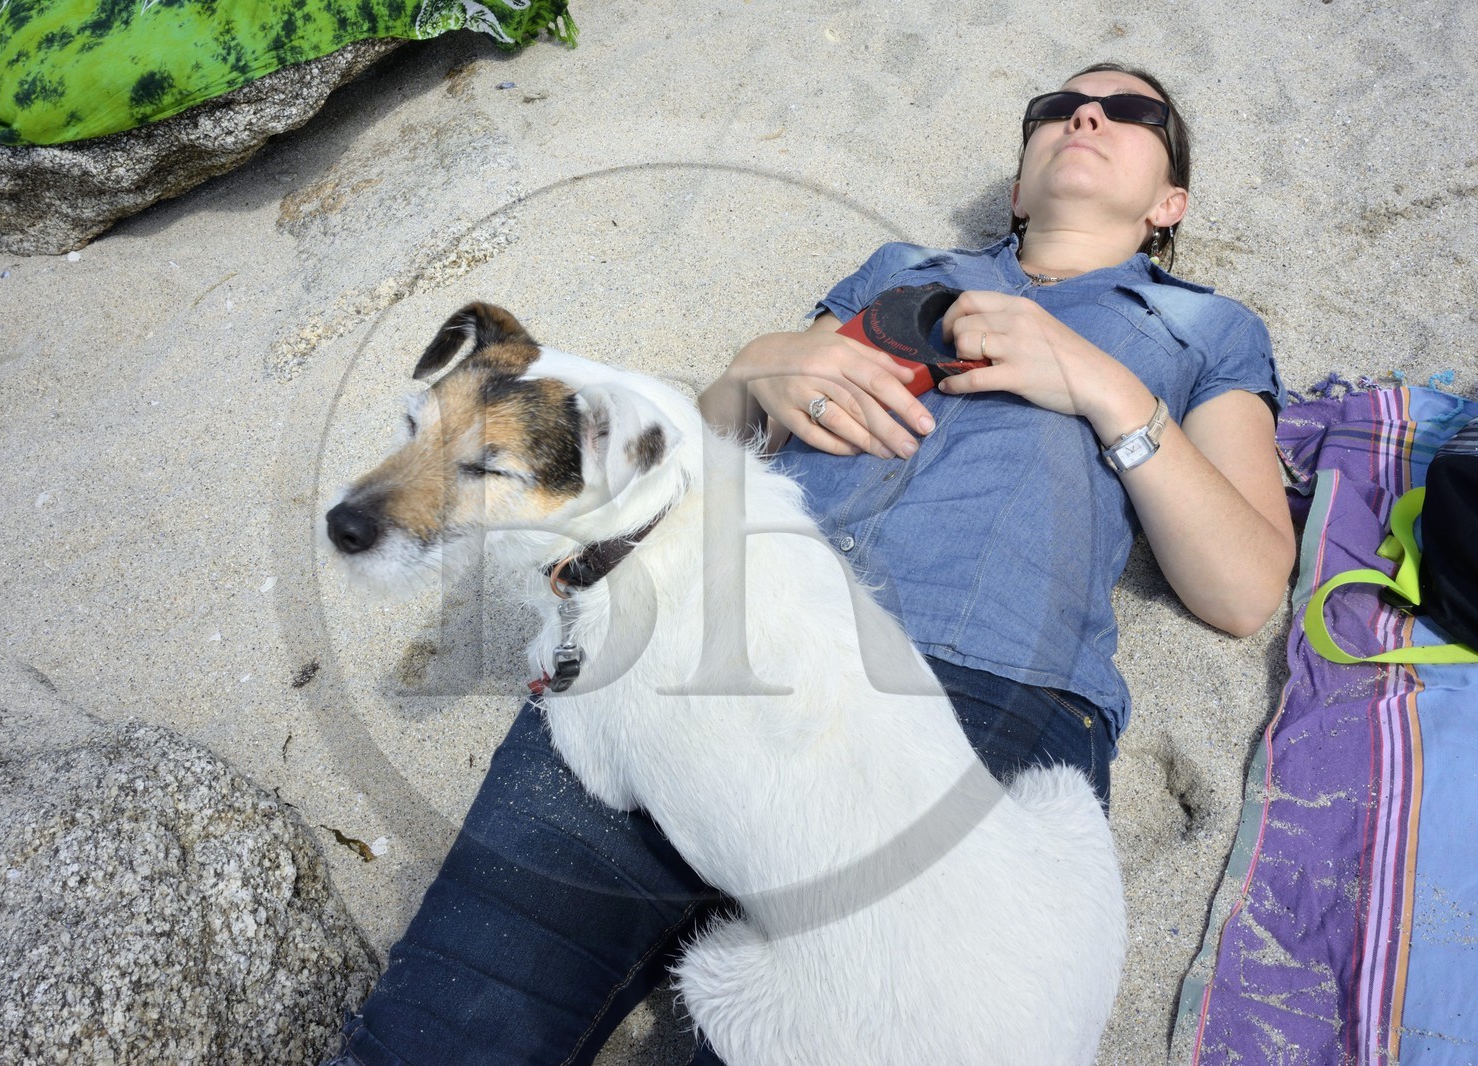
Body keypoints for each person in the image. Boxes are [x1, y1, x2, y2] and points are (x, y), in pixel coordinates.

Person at [327, 63, 1295, 1066]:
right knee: (440, 1029)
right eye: (1054, 108)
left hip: (973, 682)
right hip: (695, 614)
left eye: (1131, 114)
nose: (1084, 113)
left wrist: (1102, 385)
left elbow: (1244, 586)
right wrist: (755, 365)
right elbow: (666, 464)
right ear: (1016, 188)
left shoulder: (1199, 326)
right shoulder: (899, 268)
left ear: (1167, 203)